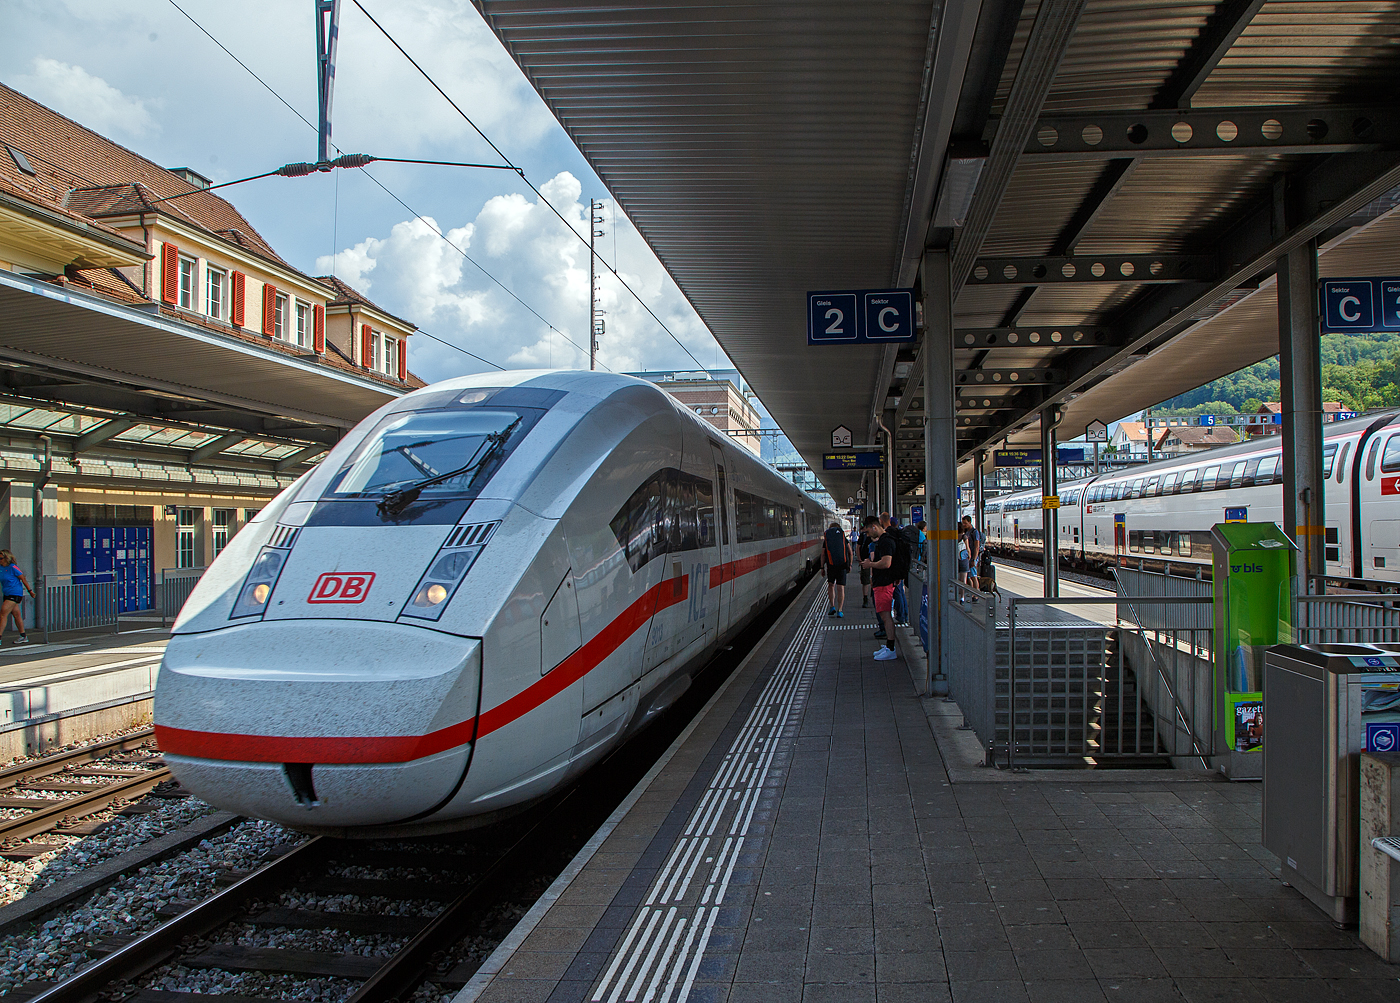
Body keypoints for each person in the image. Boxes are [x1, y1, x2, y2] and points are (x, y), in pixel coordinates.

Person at [859, 516, 899, 661]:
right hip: (882, 582)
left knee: (886, 616)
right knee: (884, 615)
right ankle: (888, 646)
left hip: (884, 583)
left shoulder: (886, 541)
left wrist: (870, 565)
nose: (868, 535)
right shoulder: (883, 540)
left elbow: (886, 563)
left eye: (868, 532)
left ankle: (891, 648)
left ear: (874, 527)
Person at [0, 551, 35, 645]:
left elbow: (23, 579)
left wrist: (30, 591)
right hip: (7, 593)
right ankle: (23, 636)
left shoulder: (13, 567)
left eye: (1, 559)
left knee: (3, 613)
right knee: (16, 614)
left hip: (15, 593)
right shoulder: (1, 568)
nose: (0, 560)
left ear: (6, 558)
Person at [820, 521, 851, 617]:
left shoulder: (827, 540)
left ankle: (832, 606)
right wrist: (849, 565)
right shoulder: (843, 539)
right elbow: (850, 551)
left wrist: (822, 567)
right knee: (840, 587)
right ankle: (840, 610)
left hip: (831, 566)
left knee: (831, 585)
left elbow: (823, 554)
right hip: (842, 565)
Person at [962, 515, 983, 591]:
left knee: (973, 576)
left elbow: (976, 546)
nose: (964, 525)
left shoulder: (975, 532)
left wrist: (974, 559)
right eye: (963, 523)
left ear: (970, 522)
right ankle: (972, 592)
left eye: (965, 523)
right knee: (969, 576)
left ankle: (976, 594)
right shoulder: (967, 532)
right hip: (968, 557)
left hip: (973, 557)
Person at [856, 523, 873, 607]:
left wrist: (859, 559)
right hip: (867, 561)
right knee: (867, 580)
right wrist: (859, 559)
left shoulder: (864, 535)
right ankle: (867, 598)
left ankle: (866, 599)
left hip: (869, 561)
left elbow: (858, 547)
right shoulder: (864, 535)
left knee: (866, 581)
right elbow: (858, 547)